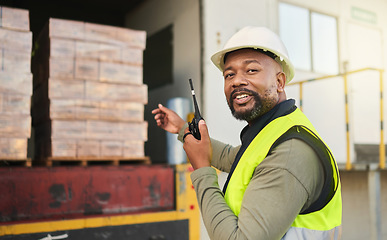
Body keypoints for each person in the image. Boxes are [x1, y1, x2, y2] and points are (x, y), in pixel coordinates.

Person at [152, 26, 342, 240]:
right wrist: (182, 129)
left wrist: (202, 169)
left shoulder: (290, 153)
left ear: (279, 82)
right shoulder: (274, 128)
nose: (236, 81)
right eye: (229, 74)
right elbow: (232, 158)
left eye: (251, 70)